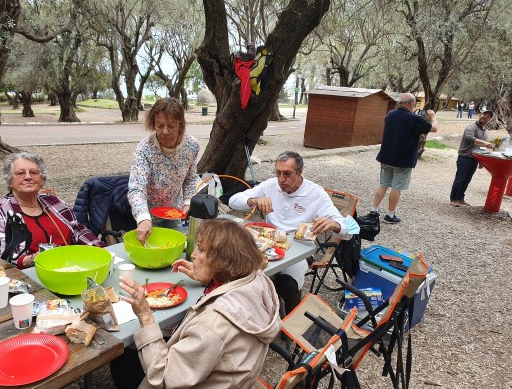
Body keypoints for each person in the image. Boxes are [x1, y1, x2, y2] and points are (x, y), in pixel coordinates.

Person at [115, 219, 281, 388]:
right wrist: (208, 277)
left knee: (122, 357)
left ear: (221, 262)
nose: (193, 254)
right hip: (231, 376)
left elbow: (164, 378)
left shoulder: (213, 325)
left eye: (201, 249)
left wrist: (145, 315)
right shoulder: (257, 280)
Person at [228, 151, 350, 314]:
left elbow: (350, 231)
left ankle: (291, 319)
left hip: (299, 248)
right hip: (268, 243)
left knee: (288, 283)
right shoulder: (271, 185)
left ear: (300, 172)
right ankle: (258, 314)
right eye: (278, 173)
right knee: (239, 268)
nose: (281, 179)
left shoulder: (316, 193)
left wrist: (334, 224)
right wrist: (253, 201)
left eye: (287, 174)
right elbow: (232, 201)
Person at [0, 152, 105, 269]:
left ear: (42, 180)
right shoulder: (0, 214)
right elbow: (2, 259)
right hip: (32, 276)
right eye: (20, 173)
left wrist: (101, 250)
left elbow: (78, 230)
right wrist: (34, 259)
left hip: (73, 267)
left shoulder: (54, 202)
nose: (28, 177)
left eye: (34, 172)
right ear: (10, 181)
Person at [128, 97, 199, 245]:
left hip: (175, 211)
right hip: (148, 214)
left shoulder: (192, 146)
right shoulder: (144, 149)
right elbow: (136, 188)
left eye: (171, 126)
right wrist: (143, 218)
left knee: (178, 248)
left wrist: (188, 202)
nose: (165, 132)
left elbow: (191, 179)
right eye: (159, 126)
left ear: (180, 124)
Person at [371, 93, 438, 224]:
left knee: (383, 185)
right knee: (397, 187)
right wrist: (433, 117)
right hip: (403, 159)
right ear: (412, 104)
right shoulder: (415, 119)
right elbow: (434, 128)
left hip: (386, 156)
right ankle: (390, 215)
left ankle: (374, 210)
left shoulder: (390, 115)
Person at [450, 110, 494, 206]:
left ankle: (460, 198)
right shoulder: (471, 127)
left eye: (488, 116)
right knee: (460, 178)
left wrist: (481, 161)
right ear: (480, 115)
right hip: (465, 157)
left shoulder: (485, 131)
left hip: (475, 159)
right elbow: (469, 138)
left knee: (467, 179)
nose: (485, 117)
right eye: (484, 115)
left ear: (490, 119)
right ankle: (453, 199)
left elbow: (481, 147)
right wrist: (485, 143)